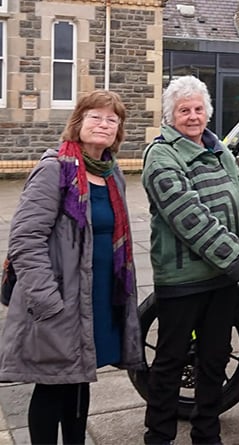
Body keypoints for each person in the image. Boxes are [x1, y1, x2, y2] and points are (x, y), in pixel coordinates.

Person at [0, 90, 143, 444]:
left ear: (118, 131)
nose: (103, 124)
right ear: (78, 122)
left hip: (97, 300)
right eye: (95, 116)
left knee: (80, 381)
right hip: (58, 301)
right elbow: (24, 240)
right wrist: (48, 301)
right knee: (51, 387)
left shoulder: (112, 175)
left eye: (112, 119)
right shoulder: (55, 170)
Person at [142, 75, 239, 445]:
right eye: (183, 110)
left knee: (215, 358)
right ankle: (158, 437)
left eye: (198, 109)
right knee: (171, 361)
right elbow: (189, 217)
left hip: (220, 279)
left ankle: (207, 434)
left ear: (207, 111)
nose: (192, 116)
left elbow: (234, 194)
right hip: (183, 279)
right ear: (170, 115)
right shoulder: (161, 155)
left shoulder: (217, 148)